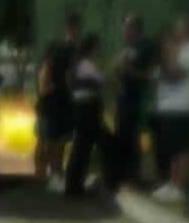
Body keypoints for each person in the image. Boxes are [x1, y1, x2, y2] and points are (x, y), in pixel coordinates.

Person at [150, 15, 189, 201]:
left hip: (183, 107)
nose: (176, 31)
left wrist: (169, 52)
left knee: (181, 148)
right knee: (172, 147)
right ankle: (171, 184)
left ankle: (179, 186)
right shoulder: (179, 49)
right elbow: (160, 74)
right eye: (176, 27)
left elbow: (176, 73)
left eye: (180, 28)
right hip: (169, 106)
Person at [36, 11, 81, 193]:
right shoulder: (59, 49)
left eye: (76, 27)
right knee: (49, 142)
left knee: (57, 142)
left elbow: (70, 77)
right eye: (73, 27)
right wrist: (47, 89)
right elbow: (47, 74)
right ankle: (46, 176)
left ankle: (54, 176)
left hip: (62, 102)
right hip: (52, 102)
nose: (74, 31)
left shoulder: (73, 50)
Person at [65, 33, 113, 197]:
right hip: (88, 109)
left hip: (83, 109)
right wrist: (115, 70)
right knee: (87, 146)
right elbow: (102, 81)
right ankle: (77, 185)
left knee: (82, 147)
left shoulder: (80, 64)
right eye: (98, 47)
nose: (100, 50)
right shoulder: (86, 65)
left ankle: (74, 185)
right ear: (92, 48)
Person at [111, 15, 153, 185]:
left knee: (133, 135)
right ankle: (121, 173)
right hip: (122, 96)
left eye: (128, 26)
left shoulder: (145, 46)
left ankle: (134, 174)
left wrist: (130, 71)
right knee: (120, 133)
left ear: (136, 29)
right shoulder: (126, 47)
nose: (125, 30)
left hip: (136, 97)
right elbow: (116, 67)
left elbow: (149, 74)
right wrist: (117, 69)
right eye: (125, 26)